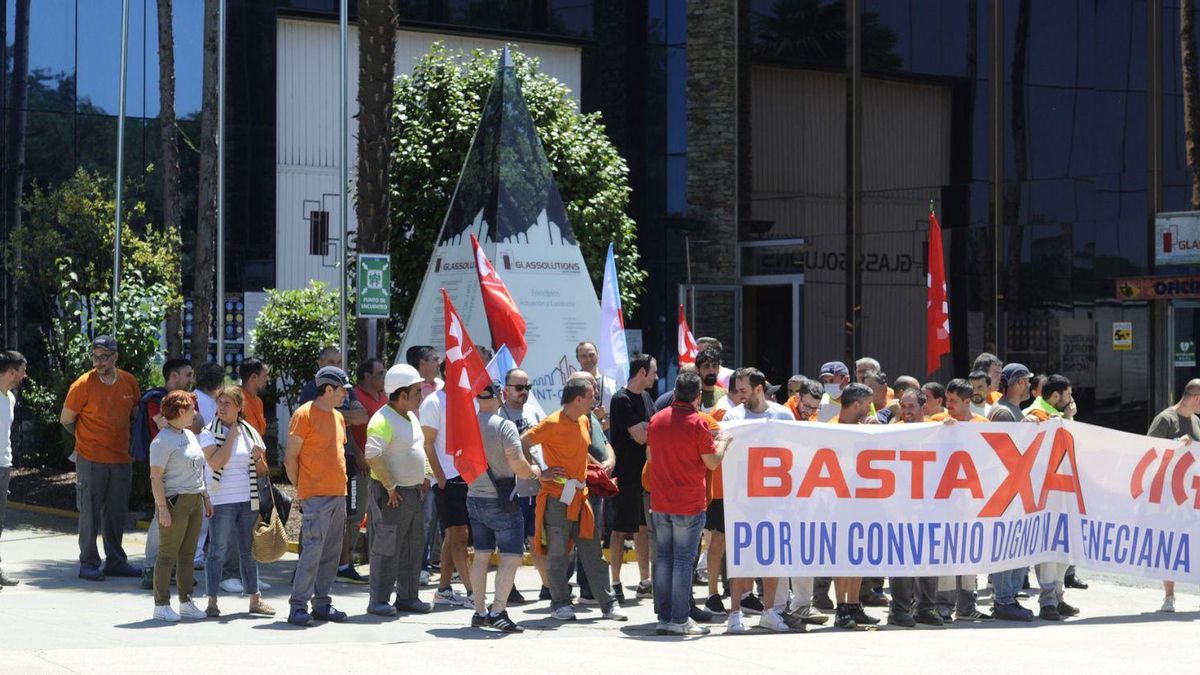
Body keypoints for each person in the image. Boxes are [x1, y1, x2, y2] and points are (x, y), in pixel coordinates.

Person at [521, 378, 626, 623]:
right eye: (591, 396)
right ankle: (560, 603)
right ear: (578, 399)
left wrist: (594, 464)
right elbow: (524, 441)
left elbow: (580, 447)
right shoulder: (551, 423)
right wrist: (538, 472)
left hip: (581, 497)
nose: (594, 400)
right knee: (558, 554)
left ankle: (608, 604)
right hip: (557, 499)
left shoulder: (582, 420)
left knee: (593, 553)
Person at [723, 368, 814, 633]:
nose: (738, 396)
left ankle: (770, 612)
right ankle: (735, 613)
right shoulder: (733, 416)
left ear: (759, 389)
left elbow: (795, 452)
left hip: (775, 498)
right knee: (742, 557)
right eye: (736, 391)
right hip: (742, 497)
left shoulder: (783, 415)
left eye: (743, 390)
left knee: (772, 556)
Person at [645, 370, 731, 636]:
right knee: (683, 561)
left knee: (664, 559)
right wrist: (724, 442)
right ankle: (679, 618)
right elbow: (712, 462)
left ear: (674, 392)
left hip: (661, 500)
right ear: (697, 395)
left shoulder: (657, 419)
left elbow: (650, 455)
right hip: (689, 502)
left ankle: (664, 616)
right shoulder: (697, 423)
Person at [60, 335, 142, 581]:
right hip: (90, 458)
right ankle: (88, 563)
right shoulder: (82, 384)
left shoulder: (129, 381)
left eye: (104, 357)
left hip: (121, 459)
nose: (99, 362)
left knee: (116, 513)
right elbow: (66, 419)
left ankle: (116, 561)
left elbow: (136, 415)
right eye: (95, 357)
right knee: (90, 513)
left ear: (115, 356)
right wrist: (85, 437)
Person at [466, 384, 539, 632]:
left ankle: (479, 611)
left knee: (481, 555)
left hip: (474, 496)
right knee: (510, 558)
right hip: (503, 500)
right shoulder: (504, 426)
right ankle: (498, 611)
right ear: (499, 396)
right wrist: (535, 473)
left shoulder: (466, 425)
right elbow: (518, 464)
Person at [363, 364, 434, 617]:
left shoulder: (411, 416)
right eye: (417, 391)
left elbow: (419, 446)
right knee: (387, 547)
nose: (421, 395)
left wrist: (426, 474)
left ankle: (408, 597)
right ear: (402, 394)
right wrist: (390, 485)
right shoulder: (382, 419)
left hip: (412, 493)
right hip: (392, 495)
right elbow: (372, 454)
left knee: (413, 546)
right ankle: (379, 600)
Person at [284, 366, 353, 626]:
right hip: (315, 496)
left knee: (331, 553)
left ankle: (322, 603)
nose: (346, 394)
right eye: (342, 390)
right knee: (312, 552)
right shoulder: (303, 415)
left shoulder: (337, 417)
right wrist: (303, 490)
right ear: (328, 390)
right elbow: (290, 459)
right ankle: (298, 606)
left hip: (338, 494)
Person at [199, 386, 274, 618]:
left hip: (247, 500)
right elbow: (216, 462)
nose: (221, 407)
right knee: (217, 551)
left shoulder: (251, 432)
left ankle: (255, 599)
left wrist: (258, 457)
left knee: (248, 552)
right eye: (219, 402)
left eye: (227, 403)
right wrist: (232, 434)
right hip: (221, 500)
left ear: (239, 408)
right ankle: (212, 601)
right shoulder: (208, 432)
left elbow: (263, 471)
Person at [930, 378, 993, 623]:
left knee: (970, 552)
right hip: (944, 500)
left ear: (968, 402)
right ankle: (944, 604)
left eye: (954, 401)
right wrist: (940, 431)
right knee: (946, 552)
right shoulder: (937, 423)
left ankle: (967, 606)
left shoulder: (984, 425)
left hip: (973, 499)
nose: (949, 406)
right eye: (947, 400)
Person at [139, 358, 205, 589]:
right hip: (163, 472)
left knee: (177, 529)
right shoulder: (156, 400)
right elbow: (163, 425)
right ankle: (150, 568)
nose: (191, 379)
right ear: (174, 376)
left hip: (185, 474)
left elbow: (196, 425)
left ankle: (177, 573)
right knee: (161, 519)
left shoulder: (183, 407)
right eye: (187, 374)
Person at [148, 391, 212, 622]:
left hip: (194, 499)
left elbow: (198, 468)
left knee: (187, 555)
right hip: (175, 501)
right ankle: (161, 604)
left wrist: (205, 496)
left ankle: (186, 601)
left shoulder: (189, 434)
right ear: (181, 411)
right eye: (191, 409)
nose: (195, 413)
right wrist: (162, 508)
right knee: (167, 554)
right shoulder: (161, 441)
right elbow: (156, 479)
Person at [824, 383, 881, 629]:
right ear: (856, 405)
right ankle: (841, 609)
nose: (870, 409)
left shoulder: (866, 429)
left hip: (863, 500)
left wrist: (877, 435)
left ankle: (855, 605)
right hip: (837, 501)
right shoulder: (830, 429)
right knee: (841, 556)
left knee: (859, 553)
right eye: (867, 404)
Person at [1023, 374, 1079, 621]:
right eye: (1067, 395)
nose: (1071, 399)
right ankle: (1047, 602)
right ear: (1056, 397)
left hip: (1062, 489)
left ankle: (1057, 596)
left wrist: (1068, 419)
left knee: (1065, 550)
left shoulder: (1059, 416)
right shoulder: (1035, 414)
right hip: (1043, 493)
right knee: (1047, 549)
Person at [419, 365, 476, 607]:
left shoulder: (470, 400)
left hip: (470, 477)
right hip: (448, 480)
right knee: (458, 536)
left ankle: (443, 589)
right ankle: (474, 592)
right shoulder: (433, 402)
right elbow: (427, 443)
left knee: (454, 536)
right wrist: (439, 476)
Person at [986, 362, 1036, 621]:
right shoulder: (1004, 414)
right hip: (1006, 490)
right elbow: (1003, 453)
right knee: (1008, 543)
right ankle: (1004, 599)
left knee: (1017, 543)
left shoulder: (1014, 411)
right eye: (1026, 381)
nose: (1029, 385)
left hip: (1015, 489)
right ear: (1017, 383)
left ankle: (1008, 597)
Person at [606, 353, 657, 603]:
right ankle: (614, 582)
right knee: (619, 530)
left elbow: (652, 430)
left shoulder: (647, 397)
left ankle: (645, 580)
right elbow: (642, 435)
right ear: (642, 373)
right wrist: (647, 428)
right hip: (624, 476)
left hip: (645, 476)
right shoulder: (621, 399)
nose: (656, 377)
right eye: (654, 372)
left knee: (643, 529)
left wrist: (647, 428)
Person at [1147, 379, 1200, 613]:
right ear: (1196, 398)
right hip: (1170, 494)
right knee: (1171, 545)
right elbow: (1149, 451)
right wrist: (1176, 443)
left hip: (1192, 494)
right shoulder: (1165, 419)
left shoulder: (1196, 421)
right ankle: (1169, 597)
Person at [497, 368, 550, 599]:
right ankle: (508, 588)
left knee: (537, 539)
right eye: (519, 388)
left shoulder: (533, 411)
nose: (524, 392)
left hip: (536, 485)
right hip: (511, 487)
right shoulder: (498, 415)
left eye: (527, 387)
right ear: (505, 390)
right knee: (511, 543)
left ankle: (548, 586)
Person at [0, 350, 27, 589]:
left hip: (3, 465)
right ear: (11, 372)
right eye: (22, 371)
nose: (24, 375)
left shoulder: (9, 397)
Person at [575, 341, 616, 419]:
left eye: (591, 355)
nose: (588, 359)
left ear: (598, 355)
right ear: (578, 359)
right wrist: (593, 418)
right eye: (583, 356)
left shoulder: (611, 379)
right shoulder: (573, 383)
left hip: (609, 428)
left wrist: (609, 422)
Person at [238, 358, 271, 437]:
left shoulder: (259, 401)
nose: (268, 379)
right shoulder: (234, 400)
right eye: (265, 376)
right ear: (254, 377)